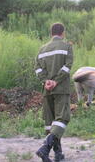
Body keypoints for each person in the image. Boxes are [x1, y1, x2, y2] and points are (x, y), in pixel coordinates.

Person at [35, 23, 73, 162]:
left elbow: (38, 69)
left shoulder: (42, 49)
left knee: (50, 123)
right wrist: (56, 81)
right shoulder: (67, 46)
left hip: (47, 89)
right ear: (62, 33)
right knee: (62, 118)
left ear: (51, 33)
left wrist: (46, 81)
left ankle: (58, 154)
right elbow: (67, 66)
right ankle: (45, 148)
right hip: (61, 89)